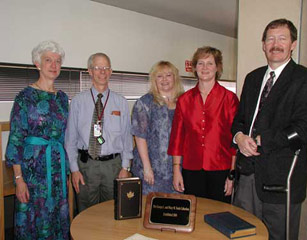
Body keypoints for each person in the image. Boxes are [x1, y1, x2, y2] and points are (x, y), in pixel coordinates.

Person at [231, 19, 307, 240]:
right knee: (243, 234)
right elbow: (239, 120)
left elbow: (306, 129)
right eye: (270, 39)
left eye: (282, 38)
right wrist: (239, 137)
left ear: (293, 44)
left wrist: (262, 140)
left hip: (281, 180)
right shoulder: (252, 78)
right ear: (263, 45)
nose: (275, 44)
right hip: (247, 177)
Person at [5, 40, 70, 239]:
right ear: (37, 64)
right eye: (48, 60)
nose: (54, 65)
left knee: (57, 217)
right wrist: (19, 180)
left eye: (57, 61)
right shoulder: (25, 97)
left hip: (57, 170)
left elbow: (66, 135)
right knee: (34, 218)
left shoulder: (62, 98)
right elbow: (16, 138)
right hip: (32, 172)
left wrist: (68, 169)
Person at [168, 46, 239, 202]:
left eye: (210, 63)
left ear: (217, 67)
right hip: (191, 169)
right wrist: (176, 171)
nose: (205, 68)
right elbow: (177, 138)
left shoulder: (229, 99)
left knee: (220, 216)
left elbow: (235, 139)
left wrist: (232, 175)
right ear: (194, 67)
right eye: (200, 63)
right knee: (194, 215)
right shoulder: (184, 100)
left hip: (221, 169)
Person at [65, 53, 133, 212]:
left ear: (111, 71)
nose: (102, 71)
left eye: (106, 68)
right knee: (86, 213)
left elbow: (126, 137)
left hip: (114, 167)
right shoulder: (77, 102)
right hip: (86, 167)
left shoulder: (120, 102)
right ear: (90, 71)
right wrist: (74, 169)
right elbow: (70, 140)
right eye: (98, 68)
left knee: (113, 211)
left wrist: (125, 167)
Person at [131, 61, 184, 194]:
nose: (164, 79)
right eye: (160, 76)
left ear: (175, 78)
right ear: (154, 79)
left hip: (178, 169)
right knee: (151, 209)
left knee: (175, 209)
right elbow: (139, 136)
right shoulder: (145, 102)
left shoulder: (184, 102)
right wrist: (147, 167)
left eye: (168, 75)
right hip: (151, 170)